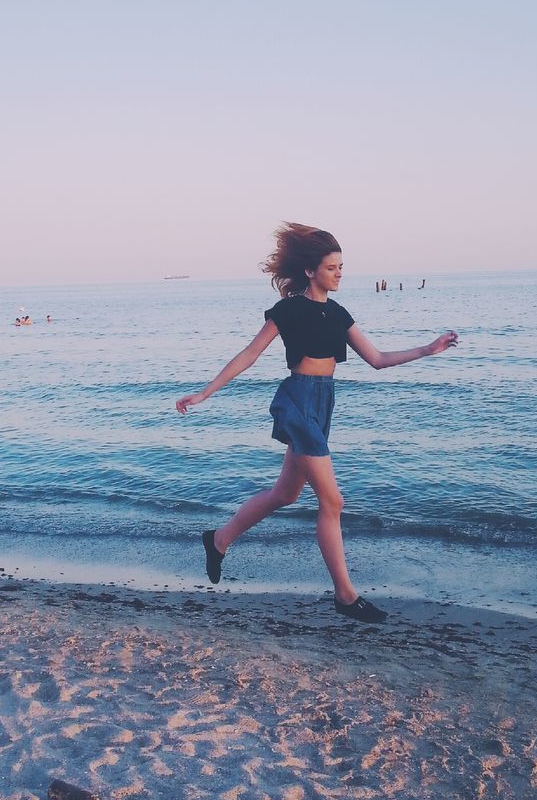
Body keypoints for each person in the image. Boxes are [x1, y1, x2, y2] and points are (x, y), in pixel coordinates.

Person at [175, 223, 458, 624]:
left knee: (285, 494)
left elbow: (376, 359)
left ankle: (218, 541)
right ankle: (345, 596)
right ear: (311, 271)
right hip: (297, 401)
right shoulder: (288, 309)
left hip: (323, 402)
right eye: (332, 267)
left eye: (342, 266)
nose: (340, 273)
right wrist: (205, 392)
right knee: (333, 501)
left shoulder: (339, 313)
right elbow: (249, 354)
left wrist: (429, 350)